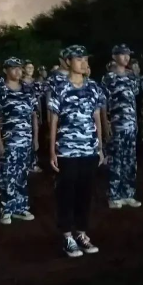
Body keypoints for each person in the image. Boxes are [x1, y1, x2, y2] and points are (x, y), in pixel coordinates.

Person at [48, 45, 105, 257]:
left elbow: (97, 117)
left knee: (85, 193)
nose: (83, 63)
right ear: (68, 61)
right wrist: (52, 151)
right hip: (67, 150)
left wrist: (100, 147)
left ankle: (81, 233)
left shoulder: (93, 87)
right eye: (78, 59)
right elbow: (53, 120)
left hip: (89, 149)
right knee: (66, 193)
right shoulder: (59, 87)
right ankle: (67, 236)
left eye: (85, 59)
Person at [0, 58, 39, 225]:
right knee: (7, 175)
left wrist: (35, 138)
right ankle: (7, 209)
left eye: (20, 68)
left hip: (25, 140)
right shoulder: (0, 90)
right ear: (5, 70)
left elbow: (34, 115)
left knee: (22, 175)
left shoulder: (28, 89)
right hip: (9, 140)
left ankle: (21, 207)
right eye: (14, 68)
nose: (18, 71)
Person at [101, 44, 141, 209]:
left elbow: (133, 100)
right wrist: (105, 125)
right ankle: (114, 195)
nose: (126, 57)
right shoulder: (108, 78)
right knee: (116, 160)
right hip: (116, 124)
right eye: (123, 54)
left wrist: (136, 121)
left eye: (128, 54)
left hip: (130, 124)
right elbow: (102, 103)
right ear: (114, 56)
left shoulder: (132, 77)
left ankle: (128, 193)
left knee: (130, 161)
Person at [21, 59, 42, 173]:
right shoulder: (20, 83)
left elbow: (38, 99)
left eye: (32, 68)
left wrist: (40, 115)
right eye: (28, 68)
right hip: (22, 114)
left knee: (35, 138)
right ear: (23, 69)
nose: (30, 70)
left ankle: (33, 163)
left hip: (34, 113)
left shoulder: (36, 83)